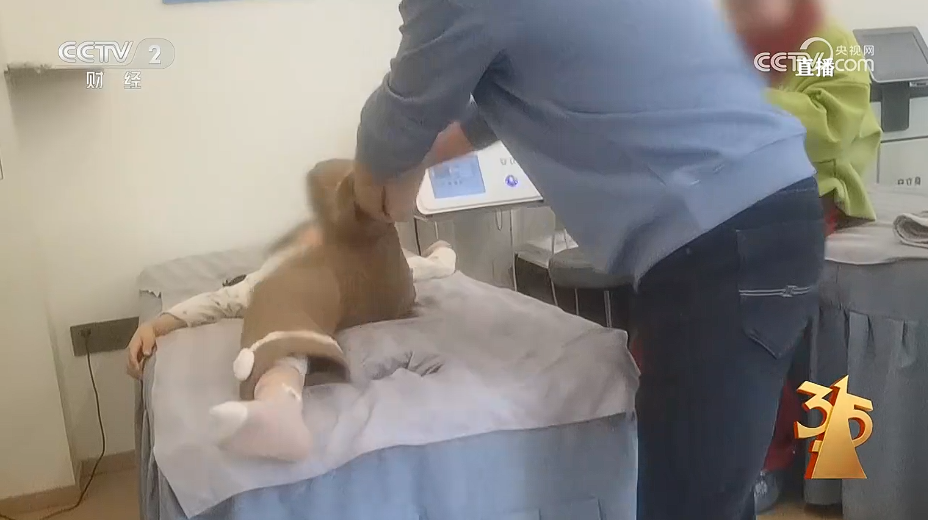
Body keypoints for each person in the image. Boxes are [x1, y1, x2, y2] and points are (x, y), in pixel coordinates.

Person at [347, 0, 825, 518]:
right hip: (768, 213)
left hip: (723, 239)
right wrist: (421, 149)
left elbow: (399, 120)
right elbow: (517, 82)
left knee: (690, 497)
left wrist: (369, 182)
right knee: (709, 486)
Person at [126, 217, 457, 461]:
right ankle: (277, 406)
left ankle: (277, 405)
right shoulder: (269, 278)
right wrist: (156, 325)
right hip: (303, 308)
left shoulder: (367, 267)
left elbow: (433, 268)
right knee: (282, 322)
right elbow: (215, 302)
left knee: (285, 316)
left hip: (349, 296)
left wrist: (439, 249)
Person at [755, 20, 881, 512]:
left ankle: (772, 459)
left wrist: (736, 97)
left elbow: (827, 130)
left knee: (756, 323)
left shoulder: (830, 41)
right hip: (743, 198)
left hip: (810, 196)